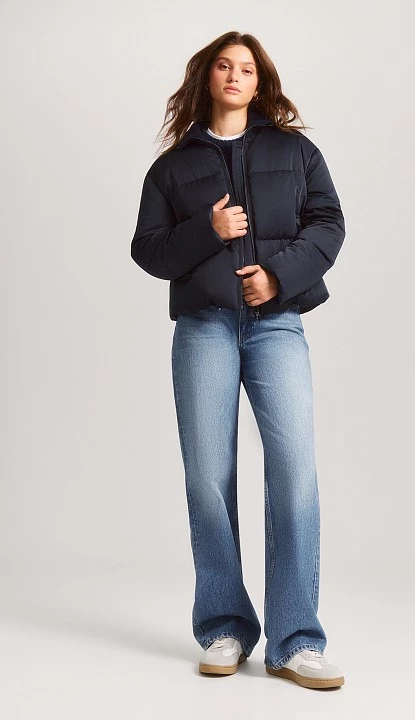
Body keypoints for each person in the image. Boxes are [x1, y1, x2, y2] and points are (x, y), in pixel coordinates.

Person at [130, 31, 346, 690]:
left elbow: (329, 224)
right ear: (208, 78)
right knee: (208, 478)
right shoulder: (172, 168)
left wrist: (278, 276)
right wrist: (209, 230)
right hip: (204, 326)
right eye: (224, 66)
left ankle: (295, 640)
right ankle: (224, 626)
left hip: (276, 325)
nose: (234, 75)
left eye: (246, 68)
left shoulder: (296, 151)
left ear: (259, 82)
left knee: (294, 473)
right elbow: (148, 250)